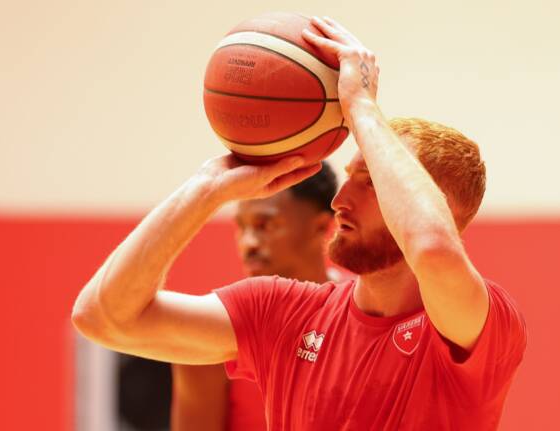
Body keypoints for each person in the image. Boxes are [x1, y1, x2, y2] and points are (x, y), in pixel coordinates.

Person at [72, 16, 526, 430]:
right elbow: (104, 318)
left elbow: (432, 248)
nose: (340, 198)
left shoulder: (481, 324)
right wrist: (205, 188)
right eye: (348, 177)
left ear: (434, 204)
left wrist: (363, 108)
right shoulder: (285, 311)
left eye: (369, 182)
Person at [171, 162, 339, 431]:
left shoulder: (369, 308)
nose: (248, 242)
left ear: (320, 226)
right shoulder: (214, 328)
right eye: (241, 226)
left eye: (264, 225)